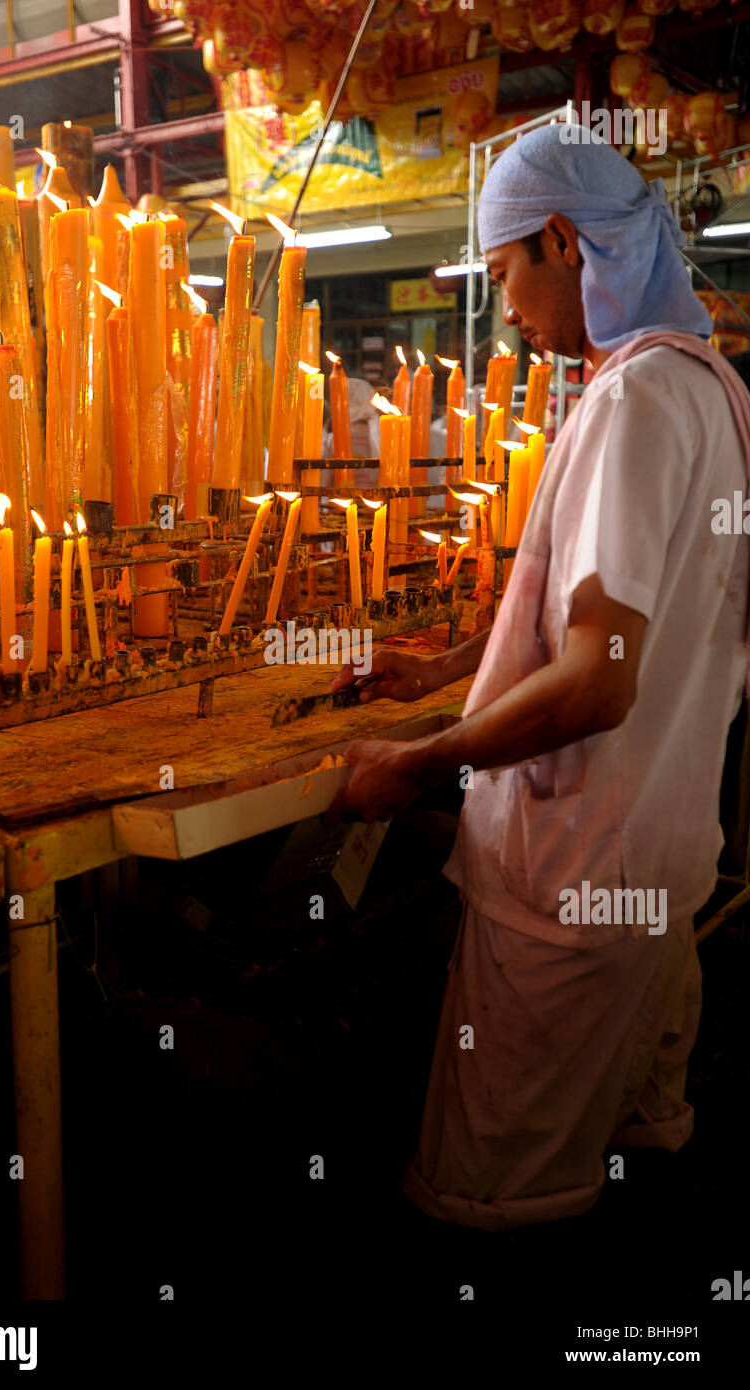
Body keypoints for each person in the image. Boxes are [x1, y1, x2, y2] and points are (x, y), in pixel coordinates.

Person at [326, 123, 750, 1229]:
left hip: (571, 885)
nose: (504, 304)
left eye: (505, 267)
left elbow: (600, 683)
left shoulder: (628, 404)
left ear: (563, 243)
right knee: (636, 1155)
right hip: (660, 863)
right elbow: (627, 619)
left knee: (497, 1196)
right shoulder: (717, 393)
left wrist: (420, 763)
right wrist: (452, 661)